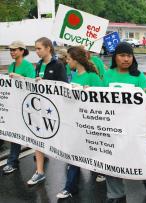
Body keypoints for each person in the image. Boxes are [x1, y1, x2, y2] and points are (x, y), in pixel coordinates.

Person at [103, 42, 146, 203]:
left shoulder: (138, 76)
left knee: (134, 157)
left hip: (132, 128)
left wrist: (144, 95)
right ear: (115, 57)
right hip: (111, 127)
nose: (126, 59)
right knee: (112, 159)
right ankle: (115, 195)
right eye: (122, 55)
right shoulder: (107, 75)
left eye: (129, 56)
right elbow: (97, 97)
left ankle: (145, 174)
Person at [56, 46, 102, 199]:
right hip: (77, 123)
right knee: (74, 156)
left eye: (68, 59)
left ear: (75, 60)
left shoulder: (92, 77)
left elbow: (105, 99)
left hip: (90, 124)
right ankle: (70, 187)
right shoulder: (75, 76)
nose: (66, 61)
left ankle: (102, 172)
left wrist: (91, 92)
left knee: (92, 153)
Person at [27, 37, 67, 186]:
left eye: (39, 48)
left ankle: (73, 166)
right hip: (39, 108)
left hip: (54, 111)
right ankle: (40, 172)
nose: (36, 51)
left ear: (48, 48)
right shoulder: (38, 64)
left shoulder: (58, 65)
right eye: (35, 48)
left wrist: (47, 84)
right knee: (38, 138)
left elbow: (63, 86)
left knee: (62, 141)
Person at [2, 41, 35, 174]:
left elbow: (32, 84)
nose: (12, 52)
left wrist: (19, 77)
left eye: (15, 50)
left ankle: (41, 154)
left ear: (22, 51)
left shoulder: (27, 66)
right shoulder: (11, 65)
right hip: (15, 105)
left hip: (27, 106)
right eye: (10, 50)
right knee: (15, 133)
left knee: (32, 132)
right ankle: (13, 161)